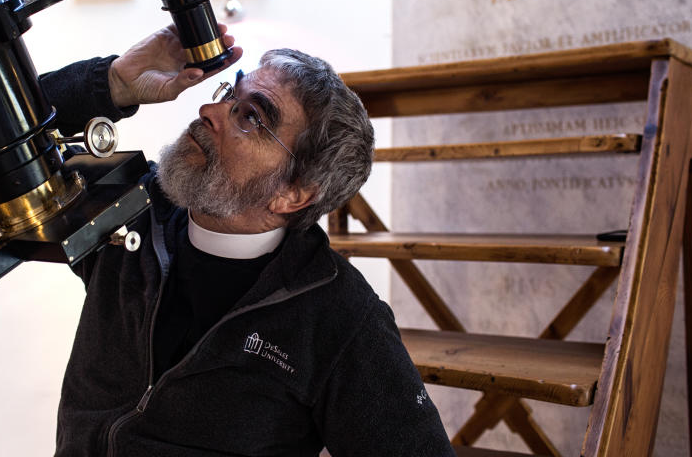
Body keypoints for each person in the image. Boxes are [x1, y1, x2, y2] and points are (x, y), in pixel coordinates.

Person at [40, 25, 454, 457]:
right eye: (228, 96)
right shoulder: (128, 212)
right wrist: (112, 84)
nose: (208, 111)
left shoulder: (339, 317)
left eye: (251, 117)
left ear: (293, 193)